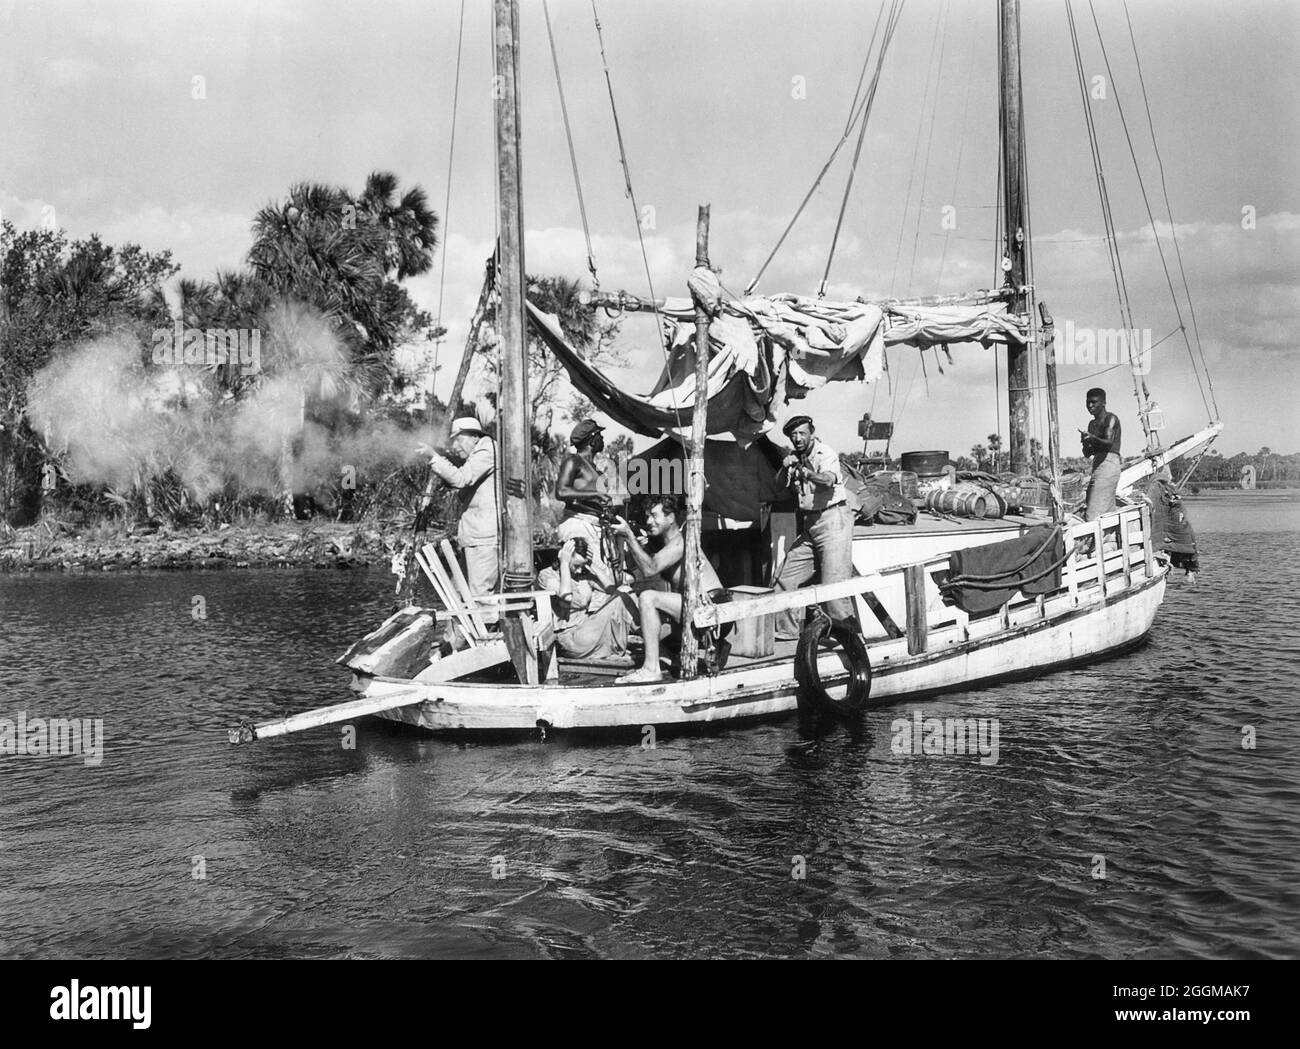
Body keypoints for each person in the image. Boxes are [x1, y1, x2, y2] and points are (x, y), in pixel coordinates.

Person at [611, 494, 731, 683]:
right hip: (694, 607)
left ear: (671, 517)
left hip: (711, 608)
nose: (649, 521)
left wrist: (629, 536)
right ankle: (673, 659)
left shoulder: (682, 541)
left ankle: (651, 669)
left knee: (648, 598)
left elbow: (650, 568)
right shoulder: (665, 544)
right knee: (643, 626)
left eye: (654, 515)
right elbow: (641, 566)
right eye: (647, 516)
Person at [772, 415, 856, 640]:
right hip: (811, 526)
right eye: (793, 435)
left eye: (802, 433)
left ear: (811, 433)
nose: (797, 438)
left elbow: (828, 480)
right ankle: (786, 633)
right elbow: (779, 486)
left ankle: (849, 642)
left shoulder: (824, 453)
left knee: (834, 590)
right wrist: (785, 468)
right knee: (784, 578)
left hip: (832, 522)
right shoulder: (795, 458)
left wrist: (808, 473)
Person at [420, 417, 499, 619]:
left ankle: (485, 646)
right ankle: (453, 645)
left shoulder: (486, 449)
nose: (454, 446)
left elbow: (461, 479)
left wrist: (434, 457)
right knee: (458, 595)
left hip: (484, 537)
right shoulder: (478, 453)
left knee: (480, 599)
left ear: (473, 437)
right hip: (474, 535)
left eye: (457, 440)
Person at [538, 537, 635, 660]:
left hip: (589, 629)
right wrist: (564, 563)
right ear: (564, 558)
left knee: (625, 592)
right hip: (571, 638)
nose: (579, 570)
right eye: (576, 565)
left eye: (582, 566)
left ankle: (643, 632)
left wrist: (591, 564)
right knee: (624, 593)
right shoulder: (547, 575)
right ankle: (646, 634)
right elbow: (566, 596)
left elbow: (612, 589)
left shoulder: (581, 574)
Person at [555, 418, 614, 571]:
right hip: (577, 525)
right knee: (587, 578)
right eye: (600, 435)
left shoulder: (596, 469)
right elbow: (561, 491)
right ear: (592, 440)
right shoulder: (573, 460)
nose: (602, 439)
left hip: (595, 527)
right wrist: (596, 494)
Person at [1080, 387, 1122, 521]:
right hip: (1098, 464)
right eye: (1088, 402)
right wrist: (1085, 442)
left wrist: (1092, 437)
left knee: (1093, 513)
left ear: (1103, 402)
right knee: (1104, 511)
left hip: (1109, 464)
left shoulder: (1110, 419)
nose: (1090, 406)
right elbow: (1088, 454)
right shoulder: (1092, 424)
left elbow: (1108, 442)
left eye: (1094, 402)